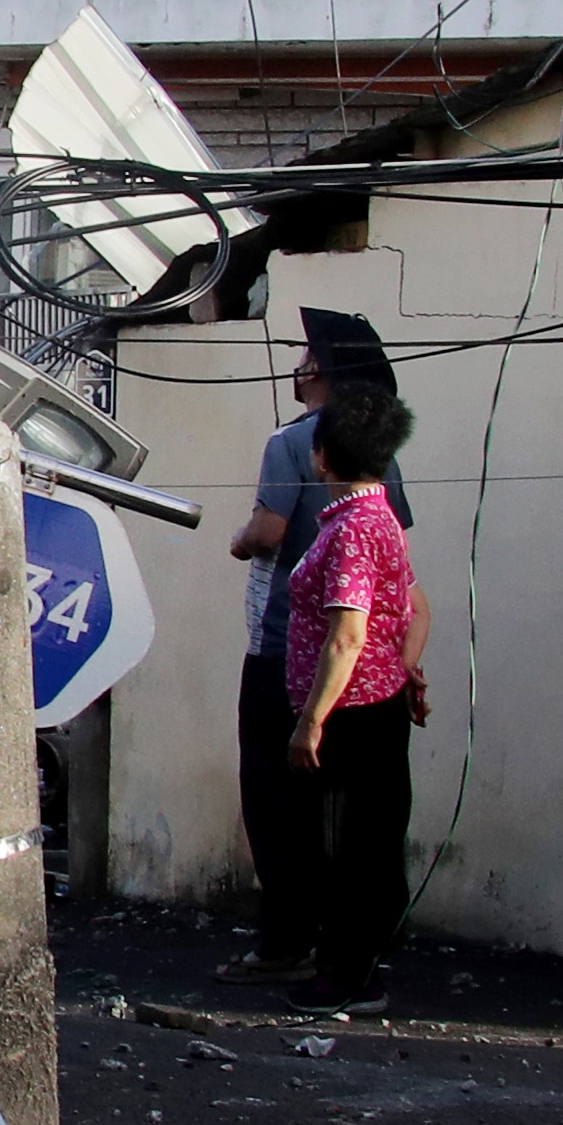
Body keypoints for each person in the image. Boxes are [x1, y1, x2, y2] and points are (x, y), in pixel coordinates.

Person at [220, 312, 412, 985]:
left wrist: (241, 538)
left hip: (293, 656)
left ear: (320, 375)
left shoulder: (294, 443)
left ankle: (292, 942)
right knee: (357, 818)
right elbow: (405, 585)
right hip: (374, 675)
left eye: (306, 357)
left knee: (278, 800)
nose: (298, 365)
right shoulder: (379, 470)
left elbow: (271, 534)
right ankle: (341, 945)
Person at [282, 384, 430, 1020]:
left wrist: (310, 721)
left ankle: (350, 975)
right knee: (366, 842)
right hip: (378, 699)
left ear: (321, 458)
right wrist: (403, 668)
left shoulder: (353, 531)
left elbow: (347, 633)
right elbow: (416, 608)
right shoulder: (379, 521)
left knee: (350, 848)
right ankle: (352, 964)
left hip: (351, 714)